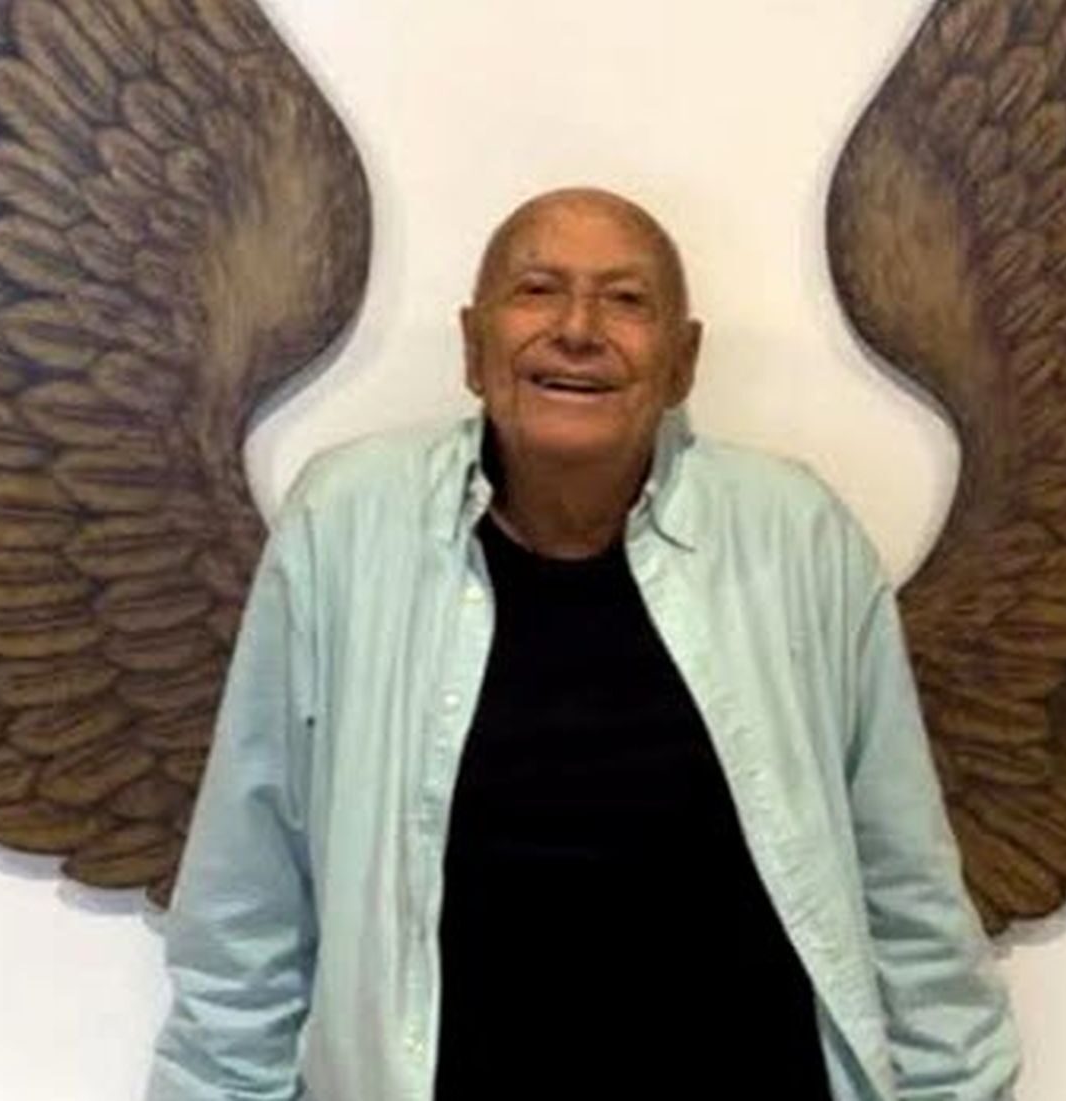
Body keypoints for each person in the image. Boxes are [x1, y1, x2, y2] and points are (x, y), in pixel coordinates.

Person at [147, 188, 1020, 1101]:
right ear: (473, 346)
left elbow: (907, 891)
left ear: (682, 362)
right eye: (537, 290)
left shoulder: (797, 536)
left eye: (626, 300)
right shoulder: (347, 526)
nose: (576, 329)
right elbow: (246, 910)